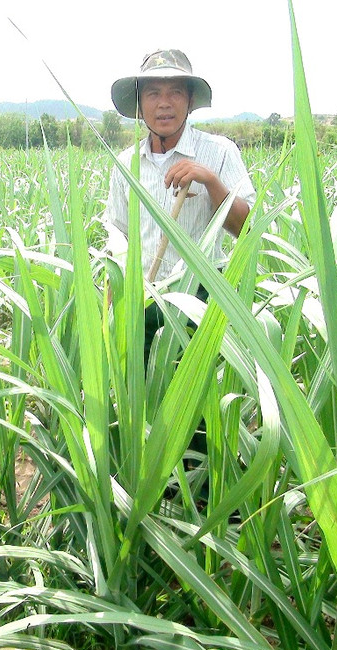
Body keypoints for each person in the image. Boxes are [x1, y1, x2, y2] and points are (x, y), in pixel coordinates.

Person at [103, 49, 256, 480]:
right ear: (140, 104)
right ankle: (158, 489)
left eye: (175, 92)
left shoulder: (219, 152)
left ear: (190, 101)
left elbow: (248, 228)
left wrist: (210, 181)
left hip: (203, 300)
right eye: (153, 92)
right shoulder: (126, 164)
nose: (164, 103)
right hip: (146, 297)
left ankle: (205, 493)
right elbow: (120, 237)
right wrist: (114, 301)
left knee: (202, 405)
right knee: (150, 401)